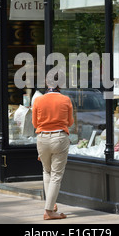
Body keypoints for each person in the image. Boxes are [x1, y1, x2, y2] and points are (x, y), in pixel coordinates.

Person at [32, 78, 74, 220]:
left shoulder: (38, 100)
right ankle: (49, 211)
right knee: (56, 175)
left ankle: (51, 203)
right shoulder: (66, 99)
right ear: (60, 85)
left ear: (46, 83)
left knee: (47, 171)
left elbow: (35, 123)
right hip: (59, 138)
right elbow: (70, 122)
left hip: (42, 138)